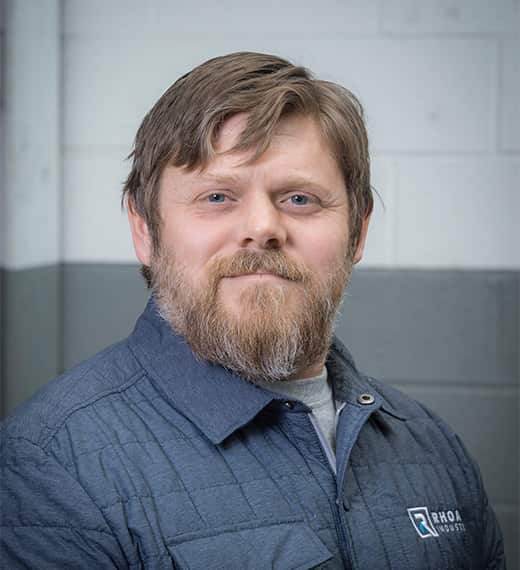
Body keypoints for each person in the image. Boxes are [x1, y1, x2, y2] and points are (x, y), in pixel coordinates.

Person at [1, 52, 505, 569]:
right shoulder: (52, 465)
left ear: (358, 231)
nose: (263, 227)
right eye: (217, 196)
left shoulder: (431, 446)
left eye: (300, 199)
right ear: (145, 230)